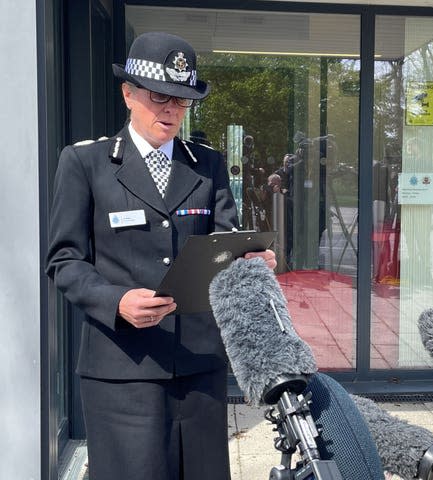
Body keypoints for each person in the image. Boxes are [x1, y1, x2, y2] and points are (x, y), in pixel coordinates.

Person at [46, 32, 275, 480]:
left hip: (198, 365)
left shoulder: (207, 165)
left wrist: (250, 264)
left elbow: (225, 243)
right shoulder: (86, 164)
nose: (171, 110)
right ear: (128, 94)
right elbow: (64, 261)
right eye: (160, 97)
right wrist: (116, 301)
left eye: (183, 101)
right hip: (121, 370)